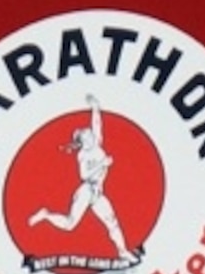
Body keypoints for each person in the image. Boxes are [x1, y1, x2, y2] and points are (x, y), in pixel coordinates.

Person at [28, 97, 134, 261]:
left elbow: (97, 125)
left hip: (98, 193)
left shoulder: (97, 144)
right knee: (70, 224)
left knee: (112, 222)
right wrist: (102, 164)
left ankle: (123, 251)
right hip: (86, 191)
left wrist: (95, 108)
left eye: (90, 134)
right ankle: (46, 215)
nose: (91, 136)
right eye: (87, 137)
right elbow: (84, 175)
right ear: (82, 142)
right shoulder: (83, 155)